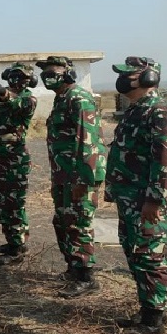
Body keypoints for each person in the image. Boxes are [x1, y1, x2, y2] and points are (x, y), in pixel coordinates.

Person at [106, 56, 167, 334]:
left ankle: (155, 320)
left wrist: (155, 201)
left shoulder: (159, 111)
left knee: (150, 257)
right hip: (131, 199)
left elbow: (165, 160)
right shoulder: (136, 110)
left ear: (149, 78)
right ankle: (148, 309)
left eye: (130, 75)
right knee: (136, 254)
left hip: (147, 202)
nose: (124, 80)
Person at [37, 55, 106, 297]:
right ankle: (73, 268)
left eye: (53, 71)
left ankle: (86, 277)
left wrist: (83, 181)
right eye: (44, 73)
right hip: (63, 175)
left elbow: (88, 143)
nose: (47, 77)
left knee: (79, 223)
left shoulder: (78, 98)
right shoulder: (61, 99)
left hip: (78, 177)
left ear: (68, 73)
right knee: (63, 221)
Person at [0, 63, 37, 263]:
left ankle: (17, 249)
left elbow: (18, 105)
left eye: (21, 76)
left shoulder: (28, 99)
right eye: (13, 75)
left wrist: (4, 94)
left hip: (12, 161)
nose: (16, 79)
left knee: (12, 204)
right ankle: (13, 239)